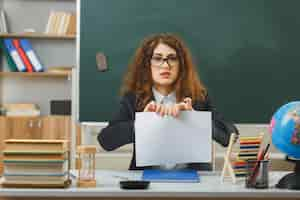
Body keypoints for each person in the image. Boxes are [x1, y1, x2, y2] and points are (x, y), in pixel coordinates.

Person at [98, 33, 238, 170]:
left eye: (172, 58)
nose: (165, 66)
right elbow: (106, 141)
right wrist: (142, 122)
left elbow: (230, 135)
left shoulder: (198, 98)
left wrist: (194, 118)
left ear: (181, 65)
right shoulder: (134, 99)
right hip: (147, 182)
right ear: (147, 65)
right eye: (158, 59)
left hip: (194, 182)